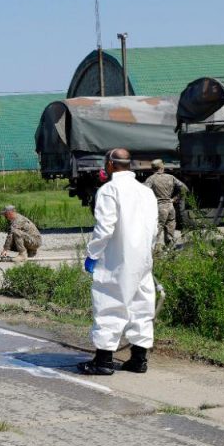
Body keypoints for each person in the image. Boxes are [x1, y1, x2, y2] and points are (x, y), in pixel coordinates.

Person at [78, 148, 158, 376]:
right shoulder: (146, 192)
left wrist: (92, 255)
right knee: (141, 305)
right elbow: (153, 228)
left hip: (117, 259)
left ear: (110, 165)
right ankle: (138, 360)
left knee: (109, 303)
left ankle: (103, 361)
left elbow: (104, 229)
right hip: (143, 258)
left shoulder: (109, 190)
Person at [144, 159, 189, 248]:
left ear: (152, 169)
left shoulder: (151, 179)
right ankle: (170, 253)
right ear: (162, 167)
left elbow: (143, 191)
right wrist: (174, 199)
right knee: (170, 231)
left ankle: (153, 253)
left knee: (156, 232)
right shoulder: (171, 177)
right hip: (170, 207)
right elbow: (185, 189)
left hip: (159, 208)